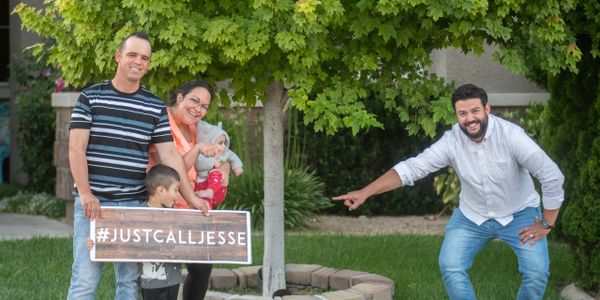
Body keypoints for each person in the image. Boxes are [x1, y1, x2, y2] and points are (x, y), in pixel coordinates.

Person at [333, 83, 565, 300]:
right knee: (450, 265)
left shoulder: (512, 136)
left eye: (475, 111)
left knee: (536, 272)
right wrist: (366, 192)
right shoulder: (452, 141)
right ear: (456, 115)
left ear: (487, 109)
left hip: (520, 213)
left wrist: (546, 222)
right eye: (462, 114)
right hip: (472, 216)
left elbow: (551, 175)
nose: (470, 119)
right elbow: (413, 168)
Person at [67, 32, 211, 300]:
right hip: (94, 206)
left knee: (130, 284)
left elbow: (170, 155)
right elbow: (76, 149)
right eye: (132, 54)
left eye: (144, 58)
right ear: (118, 56)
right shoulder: (90, 98)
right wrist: (85, 193)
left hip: (134, 207)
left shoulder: (153, 106)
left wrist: (191, 198)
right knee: (85, 282)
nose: (138, 61)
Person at [148, 79, 230, 300]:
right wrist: (196, 150)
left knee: (202, 267)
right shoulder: (160, 121)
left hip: (193, 208)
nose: (199, 109)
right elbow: (168, 172)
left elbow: (221, 152)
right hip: (166, 208)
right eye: (194, 100)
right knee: (167, 276)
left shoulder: (198, 128)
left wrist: (225, 168)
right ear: (179, 97)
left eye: (204, 106)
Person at [140, 164, 183, 300]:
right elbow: (119, 236)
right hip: (150, 282)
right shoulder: (137, 214)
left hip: (173, 279)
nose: (177, 195)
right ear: (161, 191)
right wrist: (97, 243)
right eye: (175, 190)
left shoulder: (177, 216)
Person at [194, 120, 244, 209]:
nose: (224, 146)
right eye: (220, 143)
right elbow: (198, 163)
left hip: (218, 189)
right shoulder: (201, 154)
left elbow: (232, 156)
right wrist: (212, 162)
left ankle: (210, 191)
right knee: (205, 203)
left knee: (216, 173)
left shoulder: (224, 153)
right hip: (202, 186)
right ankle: (208, 205)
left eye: (224, 143)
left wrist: (237, 166)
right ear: (209, 142)